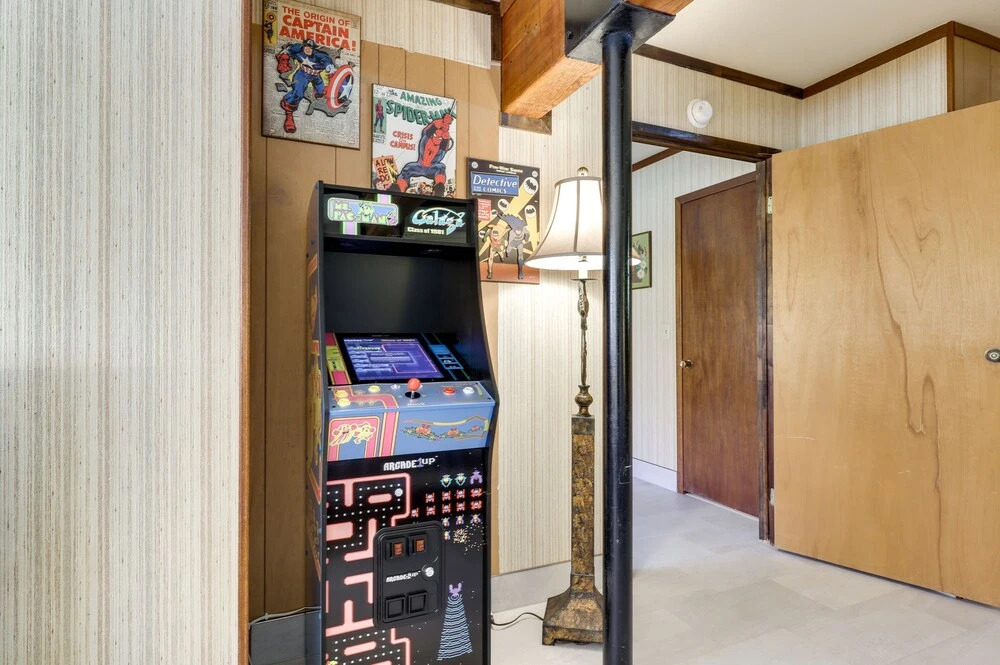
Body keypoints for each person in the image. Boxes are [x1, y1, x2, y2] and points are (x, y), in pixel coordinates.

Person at [275, 39, 334, 133]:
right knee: (298, 94)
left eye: (310, 47)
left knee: (321, 92)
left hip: (316, 76)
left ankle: (317, 92)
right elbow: (287, 50)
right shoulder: (297, 49)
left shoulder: (322, 57)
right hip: (302, 75)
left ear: (314, 49)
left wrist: (332, 81)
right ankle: (289, 115)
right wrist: (284, 59)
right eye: (306, 46)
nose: (307, 49)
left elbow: (331, 70)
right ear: (303, 46)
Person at [390, 110, 454, 195]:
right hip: (420, 165)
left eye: (439, 138)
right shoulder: (427, 138)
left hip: (432, 168)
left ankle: (439, 187)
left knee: (440, 168)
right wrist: (436, 125)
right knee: (407, 168)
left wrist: (445, 129)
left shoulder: (442, 142)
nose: (437, 139)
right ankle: (399, 188)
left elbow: (443, 144)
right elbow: (427, 132)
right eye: (435, 136)